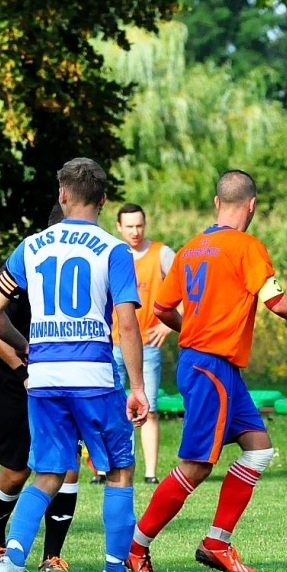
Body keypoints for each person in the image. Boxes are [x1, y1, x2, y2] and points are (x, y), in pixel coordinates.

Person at [128, 170, 287, 572]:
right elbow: (275, 300)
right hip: (211, 368)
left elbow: (163, 308)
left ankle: (217, 543)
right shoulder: (246, 247)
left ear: (218, 203)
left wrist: (192, 330)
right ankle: (136, 547)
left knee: (258, 448)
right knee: (197, 465)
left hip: (214, 367)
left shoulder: (191, 248)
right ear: (251, 205)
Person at [0, 158, 149, 572]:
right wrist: (138, 386)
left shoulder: (30, 247)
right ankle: (114, 571)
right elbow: (127, 323)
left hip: (45, 377)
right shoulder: (114, 250)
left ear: (62, 195)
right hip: (92, 375)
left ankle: (12, 558)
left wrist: (26, 346)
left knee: (48, 473)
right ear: (104, 199)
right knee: (120, 470)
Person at [0, 203, 83, 572]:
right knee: (18, 469)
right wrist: (23, 369)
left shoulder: (83, 267)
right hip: (12, 380)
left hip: (58, 379)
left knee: (66, 464)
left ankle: (51, 556)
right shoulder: (27, 260)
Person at [114, 203, 177, 484]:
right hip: (112, 343)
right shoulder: (113, 254)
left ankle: (150, 473)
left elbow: (188, 288)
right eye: (129, 227)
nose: (135, 231)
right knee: (110, 408)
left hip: (147, 344)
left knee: (148, 409)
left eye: (139, 225)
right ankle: (107, 468)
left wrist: (168, 324)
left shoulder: (161, 254)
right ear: (119, 227)